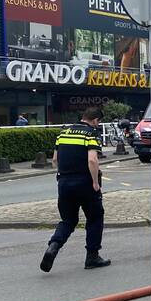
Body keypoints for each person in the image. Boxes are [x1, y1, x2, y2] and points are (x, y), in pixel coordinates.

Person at [40, 107, 110, 272]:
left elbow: (55, 160)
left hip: (64, 183)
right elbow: (92, 161)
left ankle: (54, 246)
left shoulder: (64, 133)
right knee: (95, 218)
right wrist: (95, 182)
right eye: (98, 122)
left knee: (68, 220)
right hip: (84, 182)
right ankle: (92, 257)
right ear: (95, 120)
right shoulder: (90, 134)